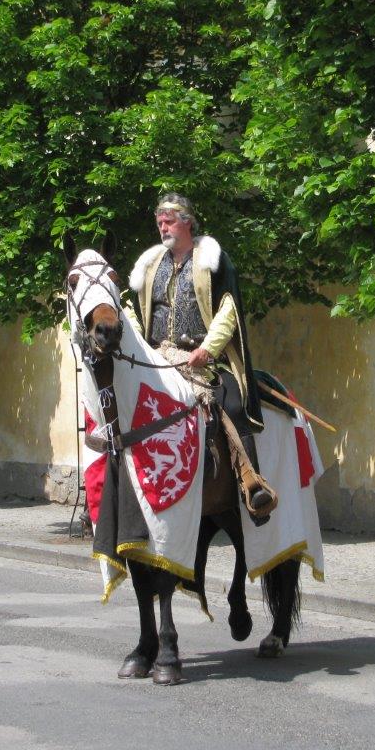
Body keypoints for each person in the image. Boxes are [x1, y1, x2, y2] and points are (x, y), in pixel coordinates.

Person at [128, 193, 274, 522]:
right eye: (159, 222)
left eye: (168, 221)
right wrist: (140, 344)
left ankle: (252, 484)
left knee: (231, 402)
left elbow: (228, 309)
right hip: (158, 357)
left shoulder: (213, 260)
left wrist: (207, 349)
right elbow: (133, 310)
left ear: (187, 222)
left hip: (202, 360)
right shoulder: (150, 265)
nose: (162, 227)